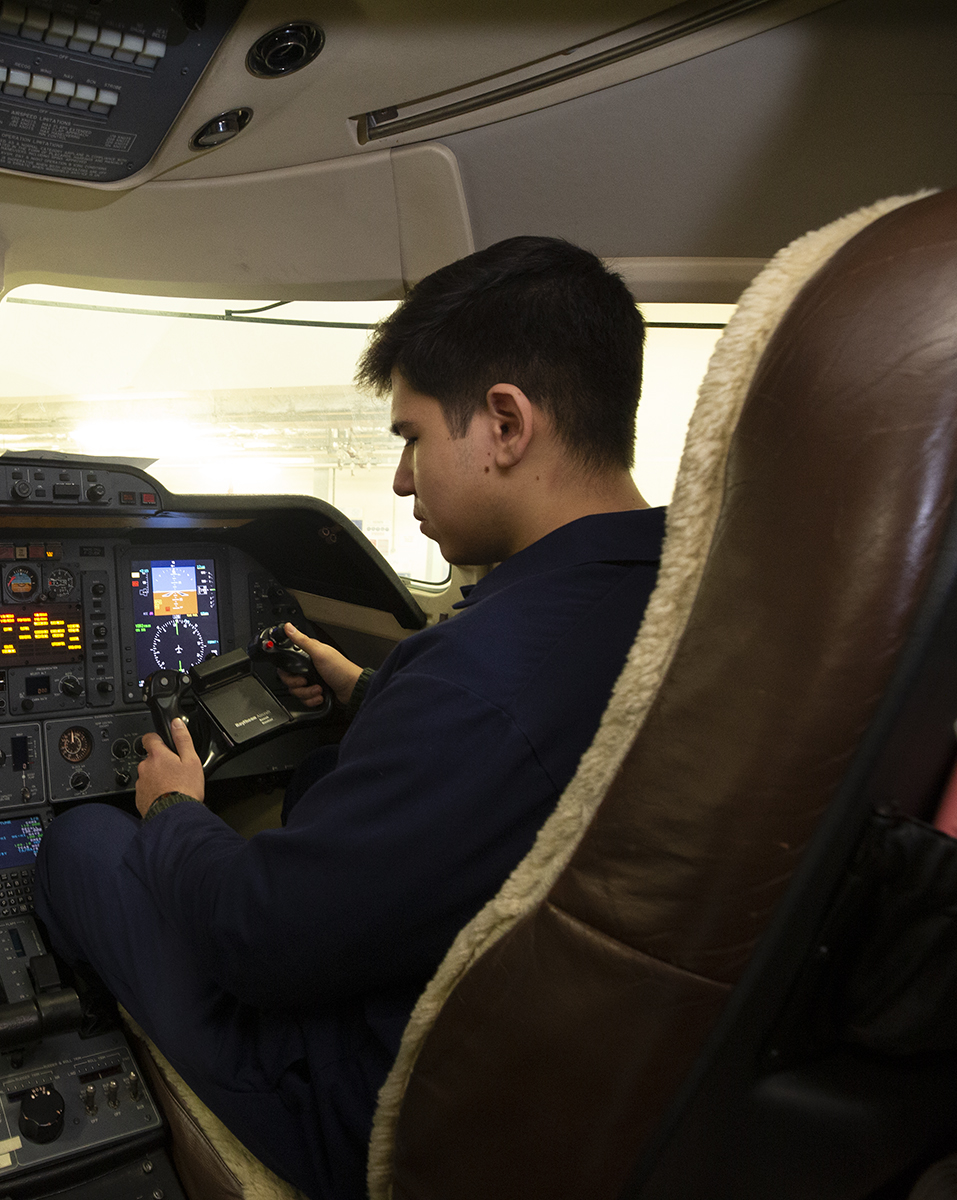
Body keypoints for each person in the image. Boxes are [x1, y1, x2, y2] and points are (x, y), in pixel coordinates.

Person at [34, 235, 668, 1200]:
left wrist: (171, 814)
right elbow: (518, 766)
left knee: (83, 838)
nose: (404, 479)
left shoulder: (479, 682)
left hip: (373, 1106)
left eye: (412, 436)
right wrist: (370, 695)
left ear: (506, 422)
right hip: (565, 1072)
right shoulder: (673, 592)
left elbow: (259, 936)